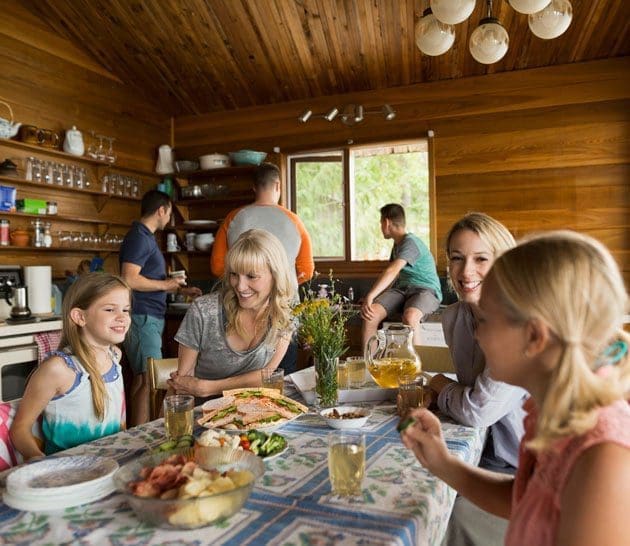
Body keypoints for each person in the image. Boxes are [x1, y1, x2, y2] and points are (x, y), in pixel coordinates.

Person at [401, 231, 630, 546]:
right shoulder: (555, 414)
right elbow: (526, 497)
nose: (477, 335)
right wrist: (442, 463)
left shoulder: (602, 459)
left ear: (534, 337)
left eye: (485, 320)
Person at [422, 213, 527, 546]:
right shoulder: (455, 317)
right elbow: (474, 395)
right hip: (482, 454)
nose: (466, 272)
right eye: (456, 259)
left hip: (518, 466)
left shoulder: (518, 323)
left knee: (438, 515)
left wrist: (439, 385)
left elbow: (478, 408)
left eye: (481, 258)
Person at [10, 273, 131, 459]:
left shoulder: (115, 356)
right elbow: (19, 429)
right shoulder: (58, 369)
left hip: (112, 464)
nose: (122, 317)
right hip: (68, 474)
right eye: (110, 309)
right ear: (80, 317)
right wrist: (38, 460)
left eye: (126, 310)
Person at [210, 162, 313, 373]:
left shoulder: (233, 218)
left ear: (254, 187)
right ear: (278, 187)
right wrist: (274, 284)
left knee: (242, 373)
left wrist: (246, 284)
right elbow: (306, 270)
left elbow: (218, 267)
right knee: (284, 375)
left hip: (241, 309)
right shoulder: (294, 221)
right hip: (284, 309)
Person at [168, 229, 296, 399]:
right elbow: (182, 385)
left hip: (253, 414)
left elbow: (265, 376)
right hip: (202, 416)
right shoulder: (204, 311)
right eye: (234, 274)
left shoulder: (284, 316)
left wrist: (209, 387)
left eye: (251, 276)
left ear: (275, 276)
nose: (240, 286)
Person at [120, 190, 201, 426]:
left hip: (147, 316)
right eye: (169, 213)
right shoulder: (139, 237)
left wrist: (179, 289)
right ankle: (143, 434)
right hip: (142, 316)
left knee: (143, 379)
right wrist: (167, 283)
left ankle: (136, 431)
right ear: (161, 210)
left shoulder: (145, 237)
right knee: (150, 379)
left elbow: (146, 280)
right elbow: (129, 278)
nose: (169, 219)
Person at [361, 203, 442, 348]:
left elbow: (392, 270)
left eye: (381, 223)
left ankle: (418, 368)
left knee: (410, 317)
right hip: (403, 290)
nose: (381, 228)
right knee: (370, 314)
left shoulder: (410, 242)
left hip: (426, 290)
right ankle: (370, 366)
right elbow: (395, 276)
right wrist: (376, 299)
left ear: (386, 222)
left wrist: (370, 295)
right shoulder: (397, 245)